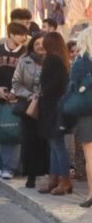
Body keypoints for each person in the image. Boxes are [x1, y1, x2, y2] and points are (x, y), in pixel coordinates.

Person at [0, 22, 30, 179]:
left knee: (13, 132)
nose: (24, 37)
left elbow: (27, 76)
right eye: (21, 34)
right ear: (11, 34)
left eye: (25, 34)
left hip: (17, 99)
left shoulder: (25, 54)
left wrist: (13, 91)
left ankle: (10, 167)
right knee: (0, 131)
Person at [37, 31, 72, 196]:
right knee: (54, 145)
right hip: (56, 106)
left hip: (51, 107)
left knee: (56, 145)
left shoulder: (52, 60)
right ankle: (55, 179)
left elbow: (53, 84)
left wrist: (42, 93)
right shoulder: (62, 60)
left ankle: (63, 180)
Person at [13, 34, 48, 190]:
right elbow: (16, 82)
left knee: (45, 141)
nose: (40, 46)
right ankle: (31, 175)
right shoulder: (24, 61)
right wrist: (30, 95)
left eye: (43, 43)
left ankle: (46, 173)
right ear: (32, 45)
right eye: (37, 44)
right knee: (29, 141)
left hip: (48, 107)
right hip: (29, 106)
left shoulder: (54, 61)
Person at [69, 29, 92, 206]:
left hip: (86, 112)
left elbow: (73, 88)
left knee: (90, 155)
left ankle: (91, 194)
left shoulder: (80, 63)